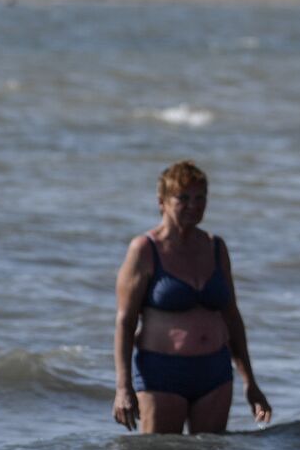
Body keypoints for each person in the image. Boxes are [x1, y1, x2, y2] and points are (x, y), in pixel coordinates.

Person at [113, 161, 272, 434]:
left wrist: (250, 382)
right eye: (183, 198)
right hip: (161, 372)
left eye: (200, 198)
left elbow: (232, 316)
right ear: (161, 201)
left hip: (215, 373)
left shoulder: (215, 247)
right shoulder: (145, 249)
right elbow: (125, 322)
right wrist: (122, 387)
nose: (193, 205)